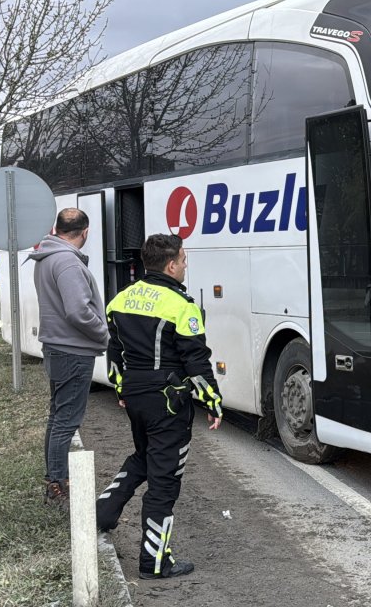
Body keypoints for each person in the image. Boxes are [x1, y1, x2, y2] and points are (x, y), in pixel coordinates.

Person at [96, 234, 222, 580]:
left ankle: (102, 512)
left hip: (135, 396)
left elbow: (115, 354)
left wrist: (122, 389)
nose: (184, 266)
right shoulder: (182, 306)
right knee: (165, 482)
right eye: (183, 260)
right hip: (168, 401)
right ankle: (155, 562)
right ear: (170, 265)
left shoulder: (120, 300)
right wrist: (212, 402)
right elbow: (196, 361)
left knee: (144, 457)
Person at [29, 209, 108, 505]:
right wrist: (103, 333)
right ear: (84, 232)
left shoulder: (47, 256)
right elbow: (78, 310)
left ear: (57, 228)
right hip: (73, 350)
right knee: (66, 421)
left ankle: (55, 478)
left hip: (57, 347)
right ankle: (58, 486)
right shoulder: (67, 262)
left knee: (57, 417)